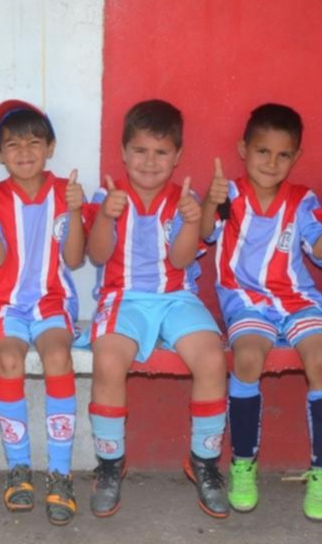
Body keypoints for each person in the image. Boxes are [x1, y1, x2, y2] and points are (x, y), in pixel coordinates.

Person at [202, 103, 322, 521]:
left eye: (283, 154)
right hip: (244, 299)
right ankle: (243, 463)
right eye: (262, 151)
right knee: (248, 356)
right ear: (243, 149)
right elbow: (203, 237)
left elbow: (321, 255)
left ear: (296, 158)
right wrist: (209, 205)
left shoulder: (302, 200)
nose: (272, 162)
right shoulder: (227, 194)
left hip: (296, 299)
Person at [84, 99, 229, 519]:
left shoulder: (186, 200)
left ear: (177, 157)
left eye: (161, 152)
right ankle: (110, 463)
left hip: (176, 298)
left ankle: (203, 460)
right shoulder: (107, 195)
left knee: (211, 358)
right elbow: (96, 255)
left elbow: (183, 262)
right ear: (124, 152)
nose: (150, 162)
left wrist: (190, 221)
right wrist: (106, 219)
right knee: (109, 360)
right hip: (122, 298)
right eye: (141, 151)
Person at [0, 99, 85, 526]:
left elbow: (74, 259)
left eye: (34, 142)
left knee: (58, 355)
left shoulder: (66, 192)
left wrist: (76, 211)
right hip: (5, 302)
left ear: (51, 147)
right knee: (8, 359)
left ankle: (60, 473)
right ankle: (19, 468)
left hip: (52, 300)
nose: (24, 152)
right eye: (12, 144)